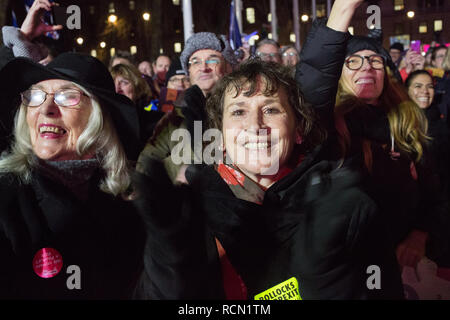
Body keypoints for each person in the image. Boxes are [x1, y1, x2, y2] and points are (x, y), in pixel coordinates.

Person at [134, 58, 404, 300]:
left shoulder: (341, 204)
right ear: (220, 138)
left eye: (272, 110)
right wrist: (168, 268)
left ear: (298, 130)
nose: (255, 125)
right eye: (239, 112)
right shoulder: (193, 209)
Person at [296, 0, 444, 279]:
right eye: (353, 61)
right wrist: (341, 11)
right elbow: (312, 80)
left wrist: (420, 234)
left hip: (401, 264)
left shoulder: (408, 124)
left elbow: (433, 194)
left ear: (385, 75)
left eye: (375, 60)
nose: (366, 67)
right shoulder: (326, 123)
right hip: (342, 263)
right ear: (337, 74)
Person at [0, 52, 145, 299]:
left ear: (100, 117)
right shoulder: (6, 199)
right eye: (36, 95)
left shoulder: (127, 206)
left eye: (67, 96)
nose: (46, 109)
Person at [136, 32, 236, 183]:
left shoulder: (243, 110)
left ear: (228, 67)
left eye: (212, 60)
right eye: (195, 61)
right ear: (189, 71)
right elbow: (147, 161)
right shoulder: (175, 115)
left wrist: (184, 167)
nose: (203, 67)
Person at [110, 63, 164, 146]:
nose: (117, 89)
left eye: (124, 83)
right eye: (112, 83)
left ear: (137, 86)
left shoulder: (155, 122)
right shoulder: (104, 122)